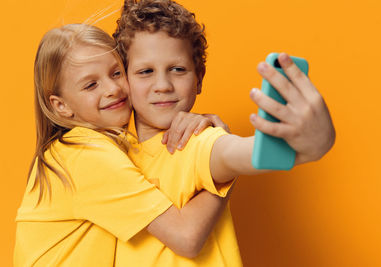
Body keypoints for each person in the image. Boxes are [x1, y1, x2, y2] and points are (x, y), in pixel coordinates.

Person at [111, 0, 335, 266]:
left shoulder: (197, 141)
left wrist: (311, 144)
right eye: (145, 71)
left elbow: (241, 153)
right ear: (123, 79)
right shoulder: (110, 154)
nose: (162, 85)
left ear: (199, 78)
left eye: (178, 69)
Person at [14, 23, 236, 267]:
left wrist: (202, 138)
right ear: (61, 106)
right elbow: (186, 237)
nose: (113, 89)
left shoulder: (103, 147)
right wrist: (222, 172)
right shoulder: (84, 154)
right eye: (91, 85)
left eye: (116, 73)